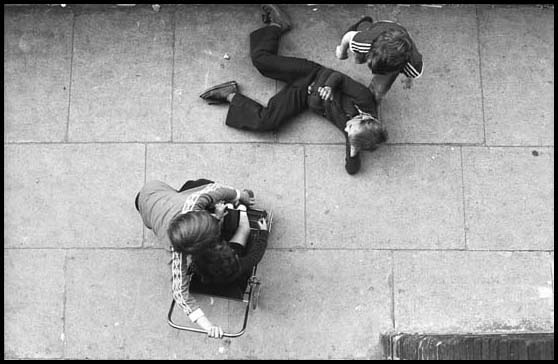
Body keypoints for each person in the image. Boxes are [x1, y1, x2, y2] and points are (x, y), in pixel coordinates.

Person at [199, 4, 388, 175]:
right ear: (365, 118)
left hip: (304, 97)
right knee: (261, 61)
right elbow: (338, 76)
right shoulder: (364, 99)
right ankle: (277, 24)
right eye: (350, 126)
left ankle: (230, 95)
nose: (346, 127)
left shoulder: (356, 134)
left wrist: (353, 152)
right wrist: (330, 88)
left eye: (348, 131)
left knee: (268, 122)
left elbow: (352, 170)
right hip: (311, 74)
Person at [135, 178, 268, 339]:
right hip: (156, 191)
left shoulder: (192, 206)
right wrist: (242, 196)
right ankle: (238, 206)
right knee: (199, 183)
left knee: (193, 186)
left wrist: (209, 326)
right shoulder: (193, 201)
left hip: (149, 206)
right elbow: (218, 189)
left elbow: (180, 293)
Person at [334, 16, 423, 103]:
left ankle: (371, 101)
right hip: (380, 27)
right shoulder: (365, 41)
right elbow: (348, 36)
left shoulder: (414, 64)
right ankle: (363, 24)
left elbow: (413, 74)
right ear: (372, 48)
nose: (373, 72)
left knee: (379, 89)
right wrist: (342, 51)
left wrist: (409, 79)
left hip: (393, 34)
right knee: (358, 59)